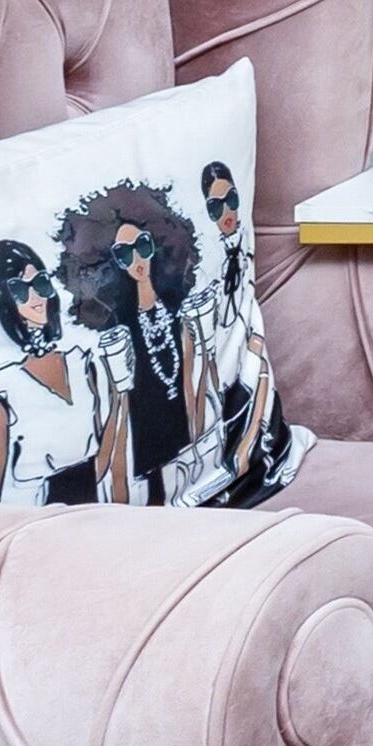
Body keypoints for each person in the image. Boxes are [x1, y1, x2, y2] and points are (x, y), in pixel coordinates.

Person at [60, 182, 215, 505]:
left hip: (186, 425)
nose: (136, 259)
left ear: (157, 241)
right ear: (109, 260)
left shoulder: (177, 305)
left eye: (141, 246)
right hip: (144, 435)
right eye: (123, 253)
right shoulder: (118, 324)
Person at [0, 239, 123, 504]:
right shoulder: (1, 387)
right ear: (6, 299)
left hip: (89, 502)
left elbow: (103, 451)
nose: (35, 297)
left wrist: (122, 391)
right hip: (33, 514)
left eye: (40, 283)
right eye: (19, 289)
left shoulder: (80, 363)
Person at [192, 158, 289, 497]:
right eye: (215, 207)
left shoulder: (239, 248)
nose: (227, 212)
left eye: (232, 200)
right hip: (215, 362)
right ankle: (241, 455)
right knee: (253, 368)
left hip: (243, 349)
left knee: (257, 366)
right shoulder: (206, 265)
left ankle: (248, 451)